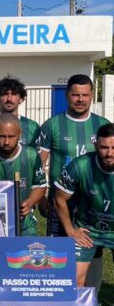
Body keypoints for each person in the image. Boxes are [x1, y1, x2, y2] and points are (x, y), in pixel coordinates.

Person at [54, 124, 113, 306]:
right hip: (88, 228)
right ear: (96, 145)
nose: (109, 153)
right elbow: (59, 198)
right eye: (105, 148)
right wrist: (70, 230)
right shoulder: (80, 166)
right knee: (77, 279)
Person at [39, 74, 110, 235]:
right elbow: (40, 164)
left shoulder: (103, 125)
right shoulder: (52, 125)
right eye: (75, 94)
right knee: (58, 252)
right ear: (67, 95)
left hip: (93, 204)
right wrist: (41, 196)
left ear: (92, 95)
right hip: (59, 200)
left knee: (91, 252)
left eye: (85, 95)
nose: (80, 99)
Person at [0, 114, 46, 236]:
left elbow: (40, 186)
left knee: (28, 253)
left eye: (11, 136)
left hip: (24, 221)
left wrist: (29, 202)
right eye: (1, 136)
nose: (6, 142)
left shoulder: (31, 155)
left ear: (20, 134)